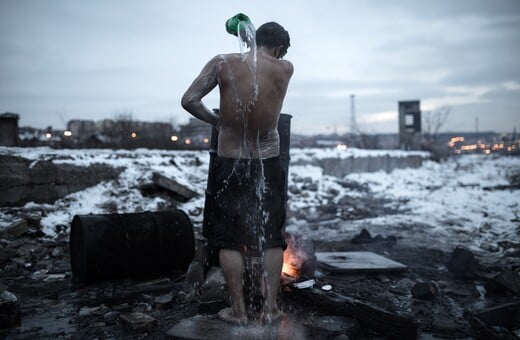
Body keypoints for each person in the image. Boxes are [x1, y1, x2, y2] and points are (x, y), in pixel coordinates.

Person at [181, 21, 293, 324]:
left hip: (230, 160)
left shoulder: (222, 63)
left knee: (230, 239)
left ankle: (238, 311)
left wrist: (218, 122)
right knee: (271, 237)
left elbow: (189, 100)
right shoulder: (285, 68)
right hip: (268, 161)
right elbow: (261, 67)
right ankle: (270, 308)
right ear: (280, 48)